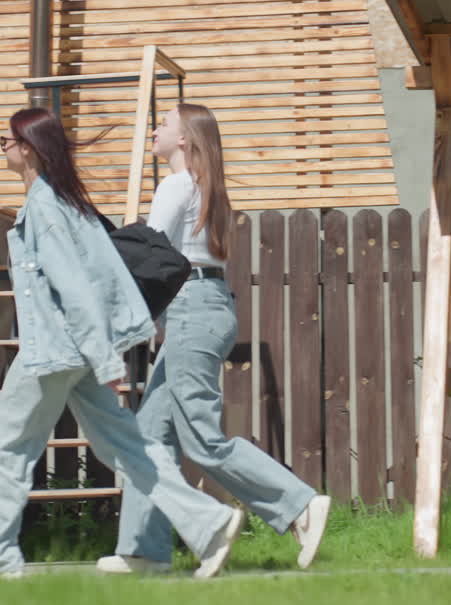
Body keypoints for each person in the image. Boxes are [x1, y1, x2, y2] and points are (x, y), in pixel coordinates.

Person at [0, 108, 244, 579]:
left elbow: (77, 289)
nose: (1, 146)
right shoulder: (64, 201)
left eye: (6, 139)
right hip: (79, 353)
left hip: (53, 351)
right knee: (126, 446)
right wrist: (101, 356)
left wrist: (107, 359)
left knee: (9, 448)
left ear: (28, 147)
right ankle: (208, 523)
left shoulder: (47, 206)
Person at [96, 103, 331, 575]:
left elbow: (149, 256)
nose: (155, 131)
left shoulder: (176, 185)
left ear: (184, 140)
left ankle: (299, 505)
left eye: (163, 125)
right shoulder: (204, 188)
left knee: (201, 439)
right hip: (206, 307)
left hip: (190, 311)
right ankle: (144, 550)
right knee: (149, 437)